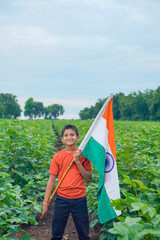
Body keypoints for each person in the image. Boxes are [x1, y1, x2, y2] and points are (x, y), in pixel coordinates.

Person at [41, 124, 92, 240]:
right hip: (62, 200)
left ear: (78, 137)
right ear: (62, 139)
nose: (69, 137)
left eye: (72, 135)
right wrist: (45, 202)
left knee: (84, 234)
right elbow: (51, 180)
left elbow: (88, 178)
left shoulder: (83, 155)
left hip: (79, 199)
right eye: (66, 135)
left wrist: (77, 161)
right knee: (56, 234)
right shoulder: (57, 157)